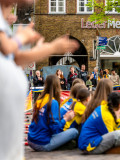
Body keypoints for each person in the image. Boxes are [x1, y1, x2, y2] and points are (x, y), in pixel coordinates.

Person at [0, 1, 79, 159]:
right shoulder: (53, 102)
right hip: (30, 144)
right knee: (74, 131)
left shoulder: (41, 99)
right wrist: (21, 38)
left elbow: (15, 57)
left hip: (13, 147)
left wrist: (50, 48)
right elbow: (9, 48)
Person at [28, 75, 78, 151]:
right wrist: (66, 119)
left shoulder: (39, 100)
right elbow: (55, 130)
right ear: (57, 87)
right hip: (42, 144)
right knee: (74, 131)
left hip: (31, 140)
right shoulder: (53, 102)